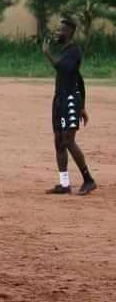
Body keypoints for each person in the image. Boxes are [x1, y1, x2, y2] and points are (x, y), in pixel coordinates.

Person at [42, 18, 96, 196]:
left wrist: (47, 53)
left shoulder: (74, 51)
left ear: (69, 33)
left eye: (60, 30)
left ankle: (88, 180)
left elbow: (63, 69)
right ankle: (64, 184)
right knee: (59, 141)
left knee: (68, 140)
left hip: (70, 100)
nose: (57, 33)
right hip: (59, 100)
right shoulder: (66, 51)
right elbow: (79, 79)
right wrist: (84, 107)